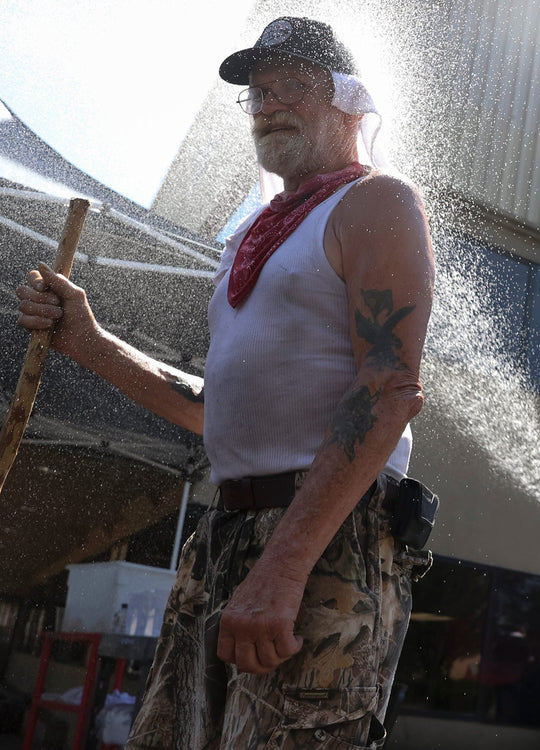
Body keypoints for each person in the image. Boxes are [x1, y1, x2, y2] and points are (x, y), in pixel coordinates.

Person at [16, 16, 434, 750]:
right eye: (257, 92)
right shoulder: (252, 235)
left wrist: (283, 567)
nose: (268, 104)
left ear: (347, 98)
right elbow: (219, 413)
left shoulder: (375, 201)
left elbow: (390, 389)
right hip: (226, 532)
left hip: (323, 534)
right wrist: (89, 342)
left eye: (291, 85)